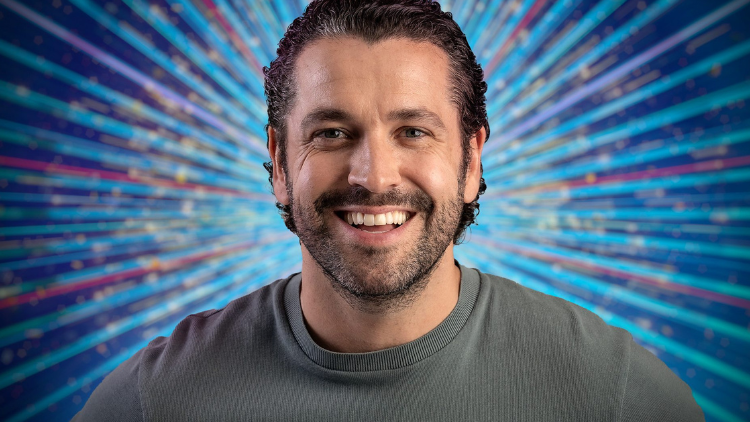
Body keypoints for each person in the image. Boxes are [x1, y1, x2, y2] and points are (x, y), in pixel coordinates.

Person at [73, 1, 704, 420]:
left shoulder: (613, 394)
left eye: (413, 131)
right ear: (278, 159)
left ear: (472, 159)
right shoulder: (159, 400)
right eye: (331, 132)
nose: (373, 176)